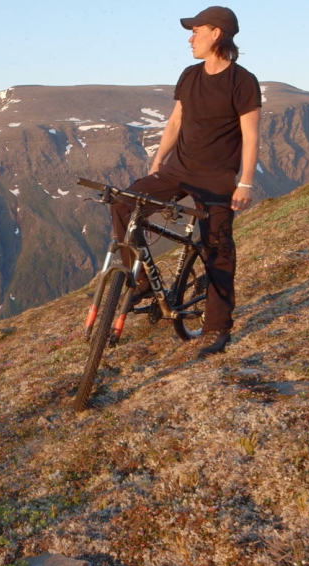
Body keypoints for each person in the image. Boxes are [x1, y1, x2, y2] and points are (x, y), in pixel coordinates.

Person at [109, 6, 261, 358]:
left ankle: (217, 328)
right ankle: (143, 282)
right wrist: (159, 159)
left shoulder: (243, 81)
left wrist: (246, 183)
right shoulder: (190, 75)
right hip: (177, 169)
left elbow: (251, 137)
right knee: (122, 202)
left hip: (216, 179)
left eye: (196, 30)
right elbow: (176, 121)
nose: (190, 37)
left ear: (217, 34)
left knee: (218, 248)